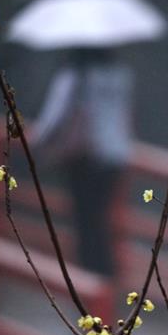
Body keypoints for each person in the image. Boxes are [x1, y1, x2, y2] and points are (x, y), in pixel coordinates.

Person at [32, 47, 134, 276]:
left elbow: (54, 117)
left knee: (85, 220)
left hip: (86, 157)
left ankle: (89, 280)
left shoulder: (76, 75)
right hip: (116, 156)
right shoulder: (120, 74)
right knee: (101, 218)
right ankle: (105, 277)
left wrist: (34, 143)